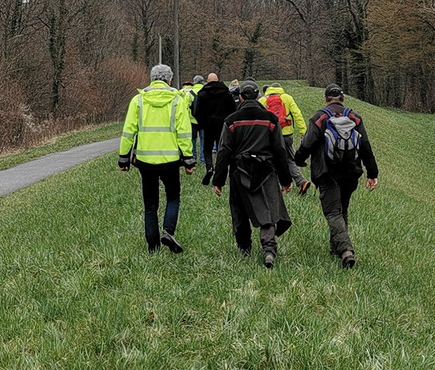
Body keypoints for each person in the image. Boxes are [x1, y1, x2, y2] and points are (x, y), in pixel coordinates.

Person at [208, 83, 300, 268]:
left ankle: (244, 248)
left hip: (239, 171)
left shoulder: (232, 120)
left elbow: (224, 150)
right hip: (266, 171)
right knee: (267, 211)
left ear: (241, 97)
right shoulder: (270, 119)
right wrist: (286, 179)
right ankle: (268, 249)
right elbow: (280, 151)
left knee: (240, 210)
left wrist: (218, 179)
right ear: (258, 96)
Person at [293, 85, 380, 268]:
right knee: (342, 209)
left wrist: (298, 159)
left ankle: (346, 250)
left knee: (333, 212)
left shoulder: (320, 117)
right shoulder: (354, 117)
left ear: (326, 99)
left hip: (327, 173)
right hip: (351, 172)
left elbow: (307, 143)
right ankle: (335, 248)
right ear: (343, 99)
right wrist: (372, 173)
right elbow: (365, 146)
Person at [119, 63, 196, 253]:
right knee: (173, 198)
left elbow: (129, 131)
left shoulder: (138, 100)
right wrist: (188, 159)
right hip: (170, 161)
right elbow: (184, 133)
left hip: (145, 161)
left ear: (152, 79)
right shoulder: (177, 100)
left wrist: (124, 157)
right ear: (170, 80)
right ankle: (168, 231)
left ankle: (153, 247)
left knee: (150, 204)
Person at [190, 71, 236, 176]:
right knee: (222, 149)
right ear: (218, 80)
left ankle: (209, 167)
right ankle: (221, 170)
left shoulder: (202, 93)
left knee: (207, 149)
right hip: (223, 125)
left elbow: (197, 112)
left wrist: (202, 124)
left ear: (207, 81)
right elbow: (233, 109)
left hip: (208, 126)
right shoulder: (226, 93)